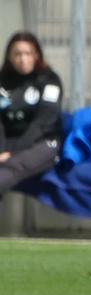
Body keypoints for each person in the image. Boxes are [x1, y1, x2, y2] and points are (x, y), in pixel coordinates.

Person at [0, 32, 65, 198]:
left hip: (41, 143)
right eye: (17, 54)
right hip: (7, 143)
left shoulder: (49, 80)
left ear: (36, 55)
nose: (23, 59)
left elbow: (44, 122)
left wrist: (12, 152)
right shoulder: (3, 81)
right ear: (9, 56)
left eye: (27, 53)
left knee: (8, 170)